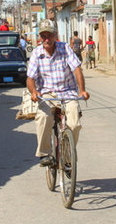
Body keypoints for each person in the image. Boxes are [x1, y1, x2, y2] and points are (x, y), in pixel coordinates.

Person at [26, 19, 90, 167]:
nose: (46, 39)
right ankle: (44, 153)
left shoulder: (65, 48)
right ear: (40, 38)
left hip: (67, 92)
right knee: (43, 117)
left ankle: (68, 155)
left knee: (74, 124)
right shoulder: (36, 53)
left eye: (50, 35)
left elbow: (77, 70)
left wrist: (82, 90)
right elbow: (30, 78)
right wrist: (34, 92)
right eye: (43, 36)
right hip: (47, 94)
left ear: (55, 35)